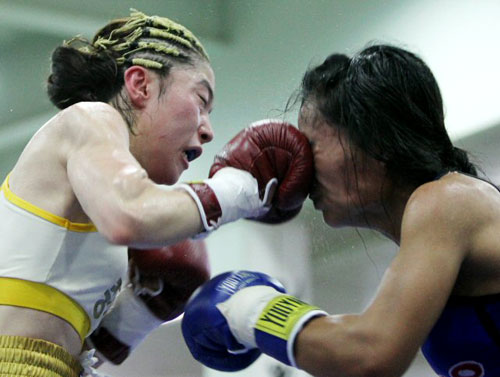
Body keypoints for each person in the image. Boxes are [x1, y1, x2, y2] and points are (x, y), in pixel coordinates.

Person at [0, 8, 313, 377]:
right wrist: (238, 189)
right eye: (201, 100)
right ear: (141, 85)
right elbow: (129, 215)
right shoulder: (90, 119)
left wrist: (137, 312)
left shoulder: (98, 210)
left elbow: (55, 341)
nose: (208, 129)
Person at [181, 44, 500, 377]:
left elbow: (368, 354)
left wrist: (250, 309)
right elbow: (362, 340)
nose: (301, 168)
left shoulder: (448, 201)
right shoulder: (443, 218)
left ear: (375, 137)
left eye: (312, 145)